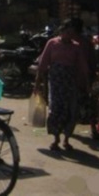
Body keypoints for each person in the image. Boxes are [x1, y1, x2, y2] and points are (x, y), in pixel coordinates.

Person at [33, 18, 90, 152]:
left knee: (70, 111)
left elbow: (83, 67)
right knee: (56, 109)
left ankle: (66, 140)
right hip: (55, 83)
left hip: (70, 83)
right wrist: (37, 83)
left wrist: (87, 84)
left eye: (72, 33)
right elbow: (42, 64)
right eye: (67, 32)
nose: (69, 35)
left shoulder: (76, 47)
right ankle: (56, 139)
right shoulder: (52, 44)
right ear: (61, 31)